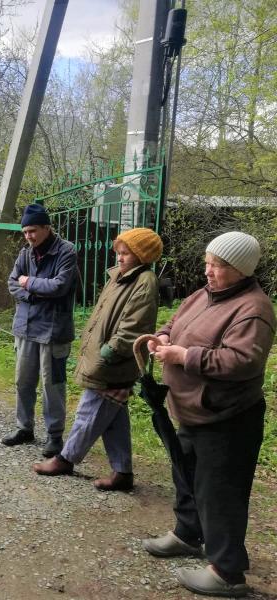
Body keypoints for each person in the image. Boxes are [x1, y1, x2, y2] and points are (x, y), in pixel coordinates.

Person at [142, 231, 275, 598]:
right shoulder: (203, 295)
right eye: (208, 262)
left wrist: (185, 356)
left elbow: (243, 361)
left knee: (221, 493)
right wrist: (165, 337)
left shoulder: (253, 308)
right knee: (187, 476)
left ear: (242, 271)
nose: (209, 271)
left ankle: (227, 573)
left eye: (219, 266)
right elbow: (176, 323)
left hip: (228, 419)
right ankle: (187, 534)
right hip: (193, 410)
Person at [33, 228, 163, 491]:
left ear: (142, 255)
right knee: (114, 418)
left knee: (89, 412)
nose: (120, 258)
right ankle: (123, 472)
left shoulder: (144, 282)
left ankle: (66, 459)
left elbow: (134, 325)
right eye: (119, 252)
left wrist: (110, 351)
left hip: (114, 363)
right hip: (106, 358)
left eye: (126, 253)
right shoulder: (120, 276)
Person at [1, 204, 79, 457]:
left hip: (53, 332)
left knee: (52, 385)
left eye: (32, 231)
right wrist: (33, 293)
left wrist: (28, 283)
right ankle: (24, 428)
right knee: (23, 381)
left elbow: (58, 287)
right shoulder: (26, 254)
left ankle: (54, 436)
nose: (28, 237)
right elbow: (13, 283)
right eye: (25, 232)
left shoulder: (66, 252)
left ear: (47, 227)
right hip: (25, 328)